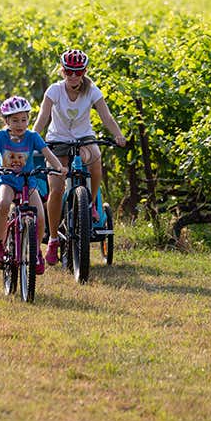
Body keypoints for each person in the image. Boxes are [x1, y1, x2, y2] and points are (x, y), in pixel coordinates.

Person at [33, 48, 126, 267]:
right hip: (57, 141)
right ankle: (54, 238)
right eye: (68, 71)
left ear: (84, 71)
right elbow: (42, 118)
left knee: (95, 158)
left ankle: (91, 204)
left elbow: (106, 117)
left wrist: (118, 135)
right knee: (56, 188)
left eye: (78, 71)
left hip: (84, 138)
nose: (73, 76)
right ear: (62, 71)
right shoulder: (54, 91)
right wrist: (33, 139)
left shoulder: (92, 91)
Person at [0, 95, 63, 274]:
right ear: (7, 121)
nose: (20, 124)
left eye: (24, 120)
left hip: (28, 181)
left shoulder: (32, 136)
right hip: (8, 180)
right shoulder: (1, 136)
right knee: (3, 204)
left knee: (40, 215)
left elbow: (47, 153)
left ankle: (36, 253)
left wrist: (58, 167)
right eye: (15, 120)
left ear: (28, 120)